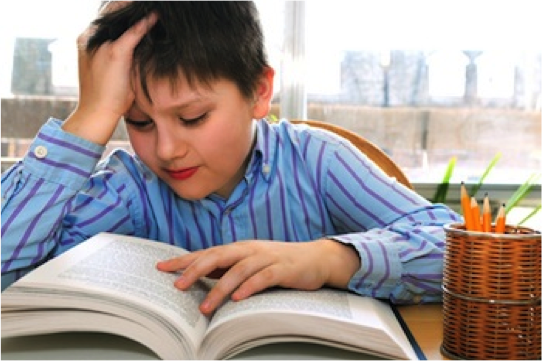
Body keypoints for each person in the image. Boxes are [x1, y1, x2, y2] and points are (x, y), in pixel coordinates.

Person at [0, 0, 461, 315]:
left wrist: (330, 259)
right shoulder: (130, 186)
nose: (166, 150)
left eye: (194, 116)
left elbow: (460, 251)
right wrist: (92, 115)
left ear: (259, 91)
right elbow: (9, 273)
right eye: (138, 123)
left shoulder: (318, 161)